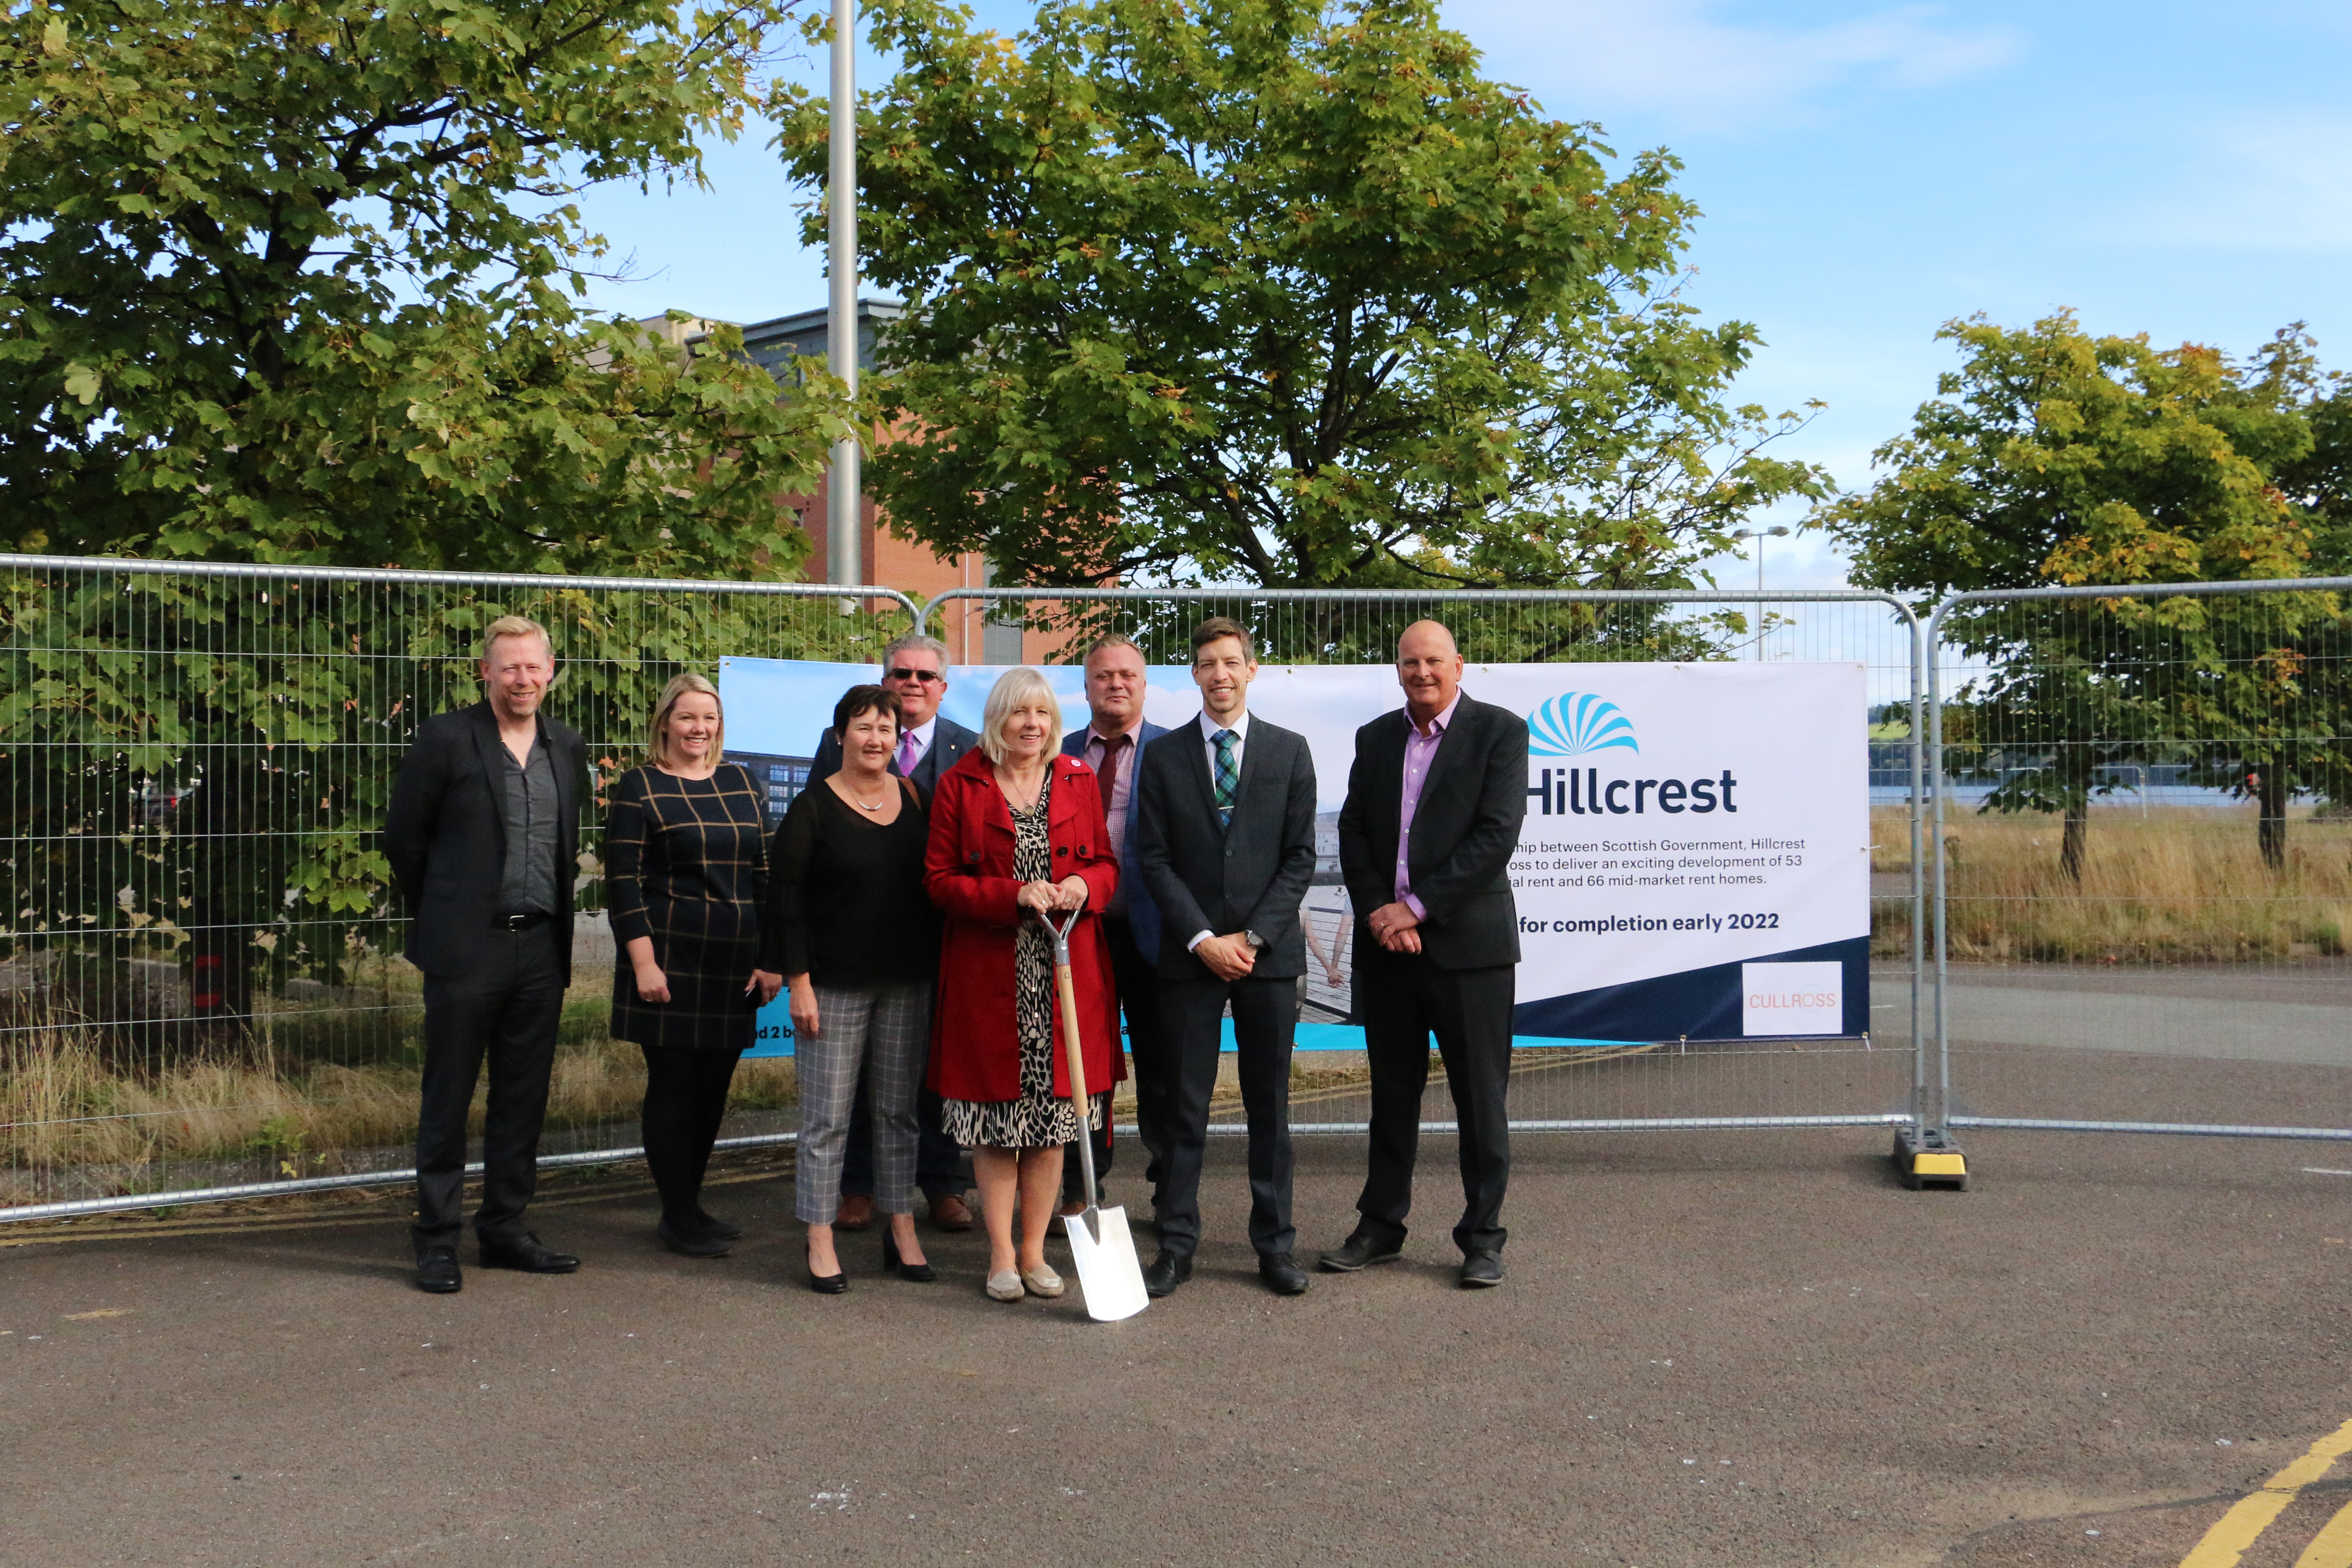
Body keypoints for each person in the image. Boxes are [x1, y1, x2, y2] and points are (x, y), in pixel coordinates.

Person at [384, 615, 591, 1294]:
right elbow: (404, 838)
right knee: (448, 1096)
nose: (522, 678)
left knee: (521, 1098)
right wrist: (448, 910)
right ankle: (437, 1238)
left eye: (533, 666)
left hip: (540, 944)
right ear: (486, 672)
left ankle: (504, 1228)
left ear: (551, 671)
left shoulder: (566, 744)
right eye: (509, 667)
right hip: (465, 948)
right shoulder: (446, 736)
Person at [1321, 620, 1529, 1289]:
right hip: (1390, 951)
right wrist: (1384, 911)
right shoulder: (1376, 737)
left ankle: (1482, 1237)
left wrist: (1416, 907)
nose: (1421, 672)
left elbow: (1494, 837)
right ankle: (1380, 1226)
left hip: (1469, 950)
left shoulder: (1500, 731)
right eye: (1410, 662)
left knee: (1480, 1099)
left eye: (1433, 660)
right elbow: (1353, 830)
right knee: (1391, 1095)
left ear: (1458, 665)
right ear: (1398, 669)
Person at [1133, 616, 1319, 1298]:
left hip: (1267, 961)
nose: (1219, 674)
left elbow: (1301, 856)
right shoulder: (1165, 756)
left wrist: (1252, 937)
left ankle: (1274, 1246)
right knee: (1183, 1108)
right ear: (1194, 674)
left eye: (1230, 662)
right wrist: (1203, 938)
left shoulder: (1290, 751)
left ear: (1251, 669)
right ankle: (1176, 1243)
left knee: (1269, 1108)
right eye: (1207, 663)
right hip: (1190, 959)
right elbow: (1152, 858)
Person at [923, 668, 1122, 1302]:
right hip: (992, 977)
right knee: (997, 1126)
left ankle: (1037, 1253)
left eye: (1041, 712)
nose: (1032, 724)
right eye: (1019, 713)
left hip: (1066, 975)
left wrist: (1084, 887)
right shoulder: (961, 784)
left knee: (1051, 1125)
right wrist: (1012, 895)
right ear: (997, 720)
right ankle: (1001, 1255)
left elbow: (1106, 864)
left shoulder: (1076, 778)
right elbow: (939, 880)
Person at [605, 673, 783, 1261]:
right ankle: (676, 1214)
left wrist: (770, 957)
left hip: (732, 962)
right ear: (665, 723)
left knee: (712, 1090)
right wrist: (642, 962)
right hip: (668, 959)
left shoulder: (741, 781)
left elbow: (763, 873)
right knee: (674, 1087)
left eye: (708, 718)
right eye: (686, 718)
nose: (698, 729)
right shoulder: (640, 786)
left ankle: (692, 1201)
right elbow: (623, 882)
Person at [771, 685, 940, 1293]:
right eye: (863, 726)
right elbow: (786, 902)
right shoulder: (812, 807)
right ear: (840, 733)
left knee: (898, 1115)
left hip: (906, 983)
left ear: (899, 737)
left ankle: (901, 1227)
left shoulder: (916, 796)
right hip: (833, 988)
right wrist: (800, 984)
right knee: (827, 1120)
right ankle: (818, 1234)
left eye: (886, 728)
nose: (875, 738)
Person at [811, 633, 979, 1235]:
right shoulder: (838, 748)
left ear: (942, 686)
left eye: (925, 675)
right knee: (859, 1073)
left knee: (932, 1069)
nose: (912, 683)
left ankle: (941, 1183)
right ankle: (857, 1186)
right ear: (885, 679)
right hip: (858, 941)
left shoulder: (971, 749)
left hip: (943, 938)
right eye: (901, 673)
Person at [1057, 633, 1169, 1217]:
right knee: (1084, 1066)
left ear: (1144, 684)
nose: (1116, 684)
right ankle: (1082, 1188)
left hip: (1154, 938)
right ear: (1086, 686)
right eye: (1103, 676)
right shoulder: (1059, 754)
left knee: (1160, 1067)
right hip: (1077, 936)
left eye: (1127, 675)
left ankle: (1167, 1190)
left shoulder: (1175, 752)